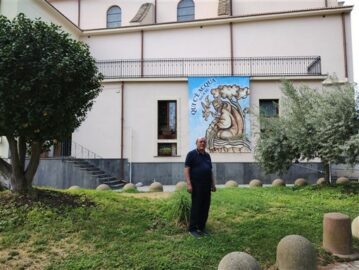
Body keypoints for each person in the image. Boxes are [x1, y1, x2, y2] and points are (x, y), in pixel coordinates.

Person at [184, 137, 216, 238]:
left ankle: (201, 227)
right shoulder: (191, 154)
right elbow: (186, 169)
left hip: (206, 185)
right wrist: (189, 184)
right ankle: (192, 229)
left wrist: (213, 184)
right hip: (196, 185)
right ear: (196, 143)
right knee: (196, 207)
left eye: (204, 142)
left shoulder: (207, 156)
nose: (202, 143)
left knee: (205, 207)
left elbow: (210, 171)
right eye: (200, 142)